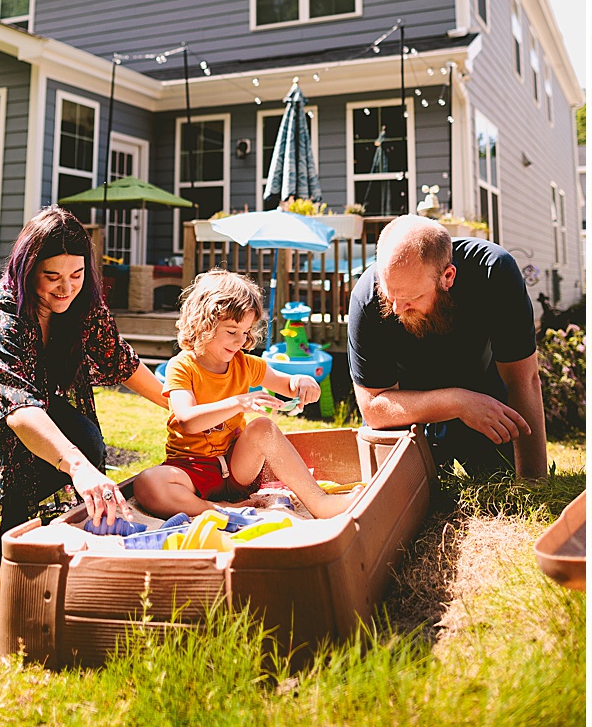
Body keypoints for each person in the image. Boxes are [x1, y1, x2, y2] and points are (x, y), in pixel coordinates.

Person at [0, 206, 169, 578]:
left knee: (84, 437)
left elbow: (121, 362)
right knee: (8, 430)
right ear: (28, 270)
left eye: (76, 274)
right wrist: (78, 469)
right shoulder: (0, 316)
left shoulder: (81, 306)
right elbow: (16, 409)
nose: (66, 288)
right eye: (52, 276)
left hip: (18, 407)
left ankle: (37, 523)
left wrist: (181, 409)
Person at [131, 270, 352, 520]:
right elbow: (187, 420)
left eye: (246, 332)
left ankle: (319, 502)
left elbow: (286, 384)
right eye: (232, 331)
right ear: (204, 323)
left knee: (263, 426)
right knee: (147, 483)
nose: (240, 341)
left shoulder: (245, 364)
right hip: (191, 470)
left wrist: (302, 382)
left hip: (237, 468)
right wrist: (239, 402)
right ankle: (222, 510)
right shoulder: (182, 366)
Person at [348, 215, 548, 478]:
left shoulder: (493, 272)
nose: (396, 308)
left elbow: (522, 378)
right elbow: (374, 408)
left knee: (501, 480)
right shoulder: (367, 298)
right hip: (406, 413)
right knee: (402, 502)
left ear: (448, 277)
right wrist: (456, 402)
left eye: (411, 297)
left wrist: (534, 482)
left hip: (483, 398)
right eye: (390, 293)